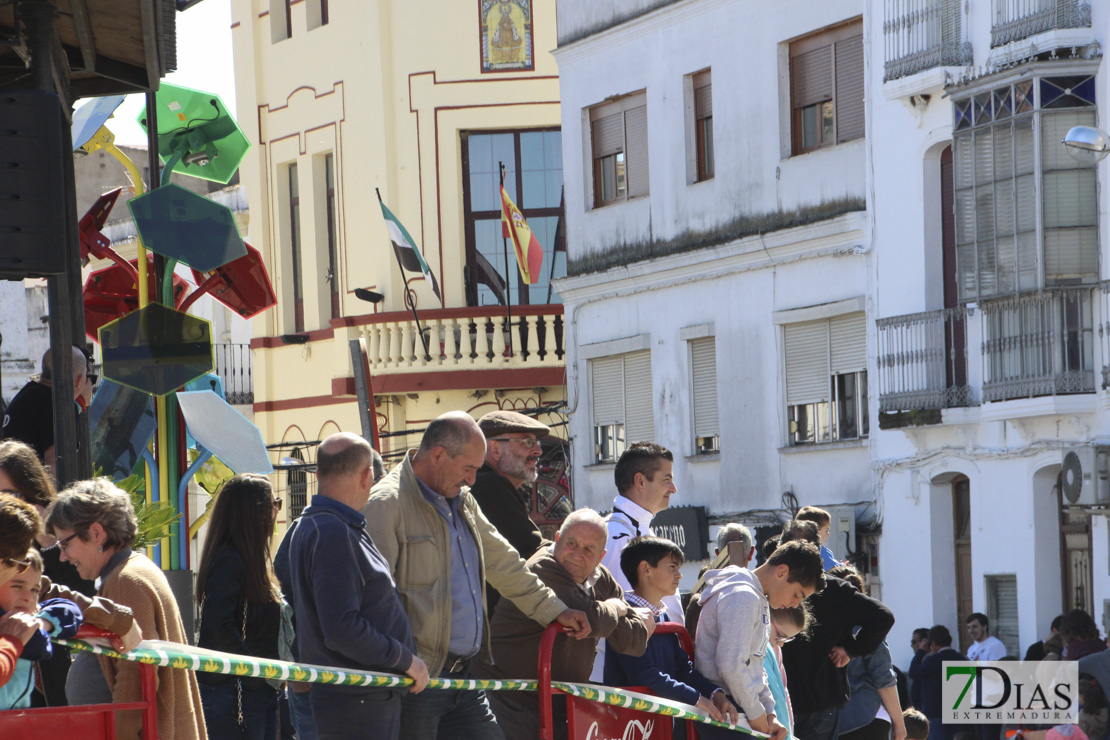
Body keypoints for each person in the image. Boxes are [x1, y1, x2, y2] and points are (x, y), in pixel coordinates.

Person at [364, 411, 590, 740]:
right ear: (438, 455)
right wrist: (401, 661)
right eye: (468, 468)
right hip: (415, 681)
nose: (473, 479)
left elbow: (505, 564)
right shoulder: (387, 504)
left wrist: (555, 610)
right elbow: (374, 600)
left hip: (464, 677)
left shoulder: (463, 500)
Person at [290, 433, 427, 740]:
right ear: (368, 475)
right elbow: (341, 628)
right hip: (355, 702)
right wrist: (407, 660)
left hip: (358, 699)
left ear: (317, 474)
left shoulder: (325, 525)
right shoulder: (332, 531)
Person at [46, 477, 205, 740]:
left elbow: (136, 680)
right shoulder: (131, 571)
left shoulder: (124, 581)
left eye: (65, 544)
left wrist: (119, 733)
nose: (63, 556)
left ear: (96, 533)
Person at [474, 509, 652, 739]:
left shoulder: (602, 578)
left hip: (558, 705)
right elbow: (585, 619)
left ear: (601, 557)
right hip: (509, 700)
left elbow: (634, 642)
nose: (577, 554)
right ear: (557, 539)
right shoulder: (542, 569)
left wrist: (605, 615)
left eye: (588, 549)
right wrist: (618, 608)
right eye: (571, 543)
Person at [275, 445, 386, 740]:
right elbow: (285, 601)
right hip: (318, 684)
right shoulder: (319, 530)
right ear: (367, 478)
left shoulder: (362, 530)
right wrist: (299, 668)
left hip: (363, 688)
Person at [695, 540, 827, 740]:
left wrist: (770, 713)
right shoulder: (743, 596)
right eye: (797, 595)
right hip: (727, 712)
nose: (794, 604)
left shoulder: (756, 597)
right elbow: (731, 665)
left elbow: (756, 665)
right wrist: (757, 714)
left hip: (739, 709)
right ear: (781, 572)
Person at [0, 439, 94, 707]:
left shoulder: (62, 547)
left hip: (48, 691)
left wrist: (42, 621)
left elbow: (75, 601)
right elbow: (34, 643)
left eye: (10, 496)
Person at [603, 536, 736, 725]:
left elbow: (682, 668)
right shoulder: (625, 617)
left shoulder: (662, 615)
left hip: (657, 724)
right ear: (645, 569)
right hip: (629, 725)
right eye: (672, 567)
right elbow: (643, 674)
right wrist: (696, 699)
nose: (679, 575)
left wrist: (715, 693)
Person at [196, 474, 285, 739]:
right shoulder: (231, 559)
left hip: (252, 691)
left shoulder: (247, 559)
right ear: (254, 513)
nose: (276, 511)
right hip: (233, 693)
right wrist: (255, 676)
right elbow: (219, 628)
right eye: (274, 503)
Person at [780, 540, 895, 740]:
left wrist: (851, 649)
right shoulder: (834, 591)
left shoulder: (775, 587)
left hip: (790, 697)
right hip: (823, 701)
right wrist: (850, 650)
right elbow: (883, 673)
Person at [594, 441, 679, 679]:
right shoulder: (614, 536)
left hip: (650, 670)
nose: (673, 488)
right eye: (666, 479)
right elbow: (625, 611)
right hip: (625, 678)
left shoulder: (640, 532)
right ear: (640, 481)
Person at [470, 410, 549, 612]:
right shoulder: (490, 486)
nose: (538, 451)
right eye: (527, 442)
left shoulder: (485, 483)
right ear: (495, 449)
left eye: (537, 443)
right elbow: (532, 550)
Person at [0, 547, 82, 709]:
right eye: (17, 586)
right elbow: (38, 646)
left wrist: (43, 621)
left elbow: (71, 609)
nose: (28, 597)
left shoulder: (24, 616)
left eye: (35, 590)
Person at [833, 565, 906, 740]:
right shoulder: (870, 629)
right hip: (868, 715)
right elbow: (883, 678)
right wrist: (900, 723)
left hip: (829, 720)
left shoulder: (821, 628)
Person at [2, 346, 92, 469]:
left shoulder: (28, 393)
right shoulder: (57, 404)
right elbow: (56, 465)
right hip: (26, 486)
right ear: (79, 380)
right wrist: (79, 403)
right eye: (88, 377)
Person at [908, 625, 965, 740]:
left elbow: (914, 673)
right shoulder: (961, 659)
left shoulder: (933, 660)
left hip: (935, 712)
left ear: (932, 643)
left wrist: (920, 651)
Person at [765, 605, 810, 740]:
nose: (781, 644)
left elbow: (783, 693)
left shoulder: (774, 649)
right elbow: (774, 694)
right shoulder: (764, 648)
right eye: (780, 636)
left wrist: (789, 732)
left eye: (786, 639)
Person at [795, 506, 839, 571]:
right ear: (816, 531)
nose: (828, 534)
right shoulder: (822, 552)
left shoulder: (793, 551)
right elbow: (834, 570)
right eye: (826, 530)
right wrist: (843, 566)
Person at [909, 627, 931, 709]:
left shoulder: (929, 659)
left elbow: (913, 673)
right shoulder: (920, 659)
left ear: (925, 642)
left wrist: (920, 650)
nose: (911, 645)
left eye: (914, 642)